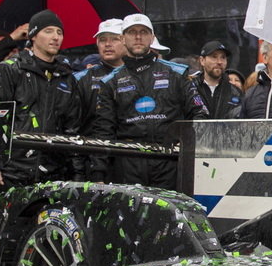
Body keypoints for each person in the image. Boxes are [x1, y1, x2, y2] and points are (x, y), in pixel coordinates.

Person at [88, 13, 207, 187]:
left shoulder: (177, 73)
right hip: (128, 162)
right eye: (132, 32)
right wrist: (98, 172)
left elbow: (199, 114)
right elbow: (103, 129)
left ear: (152, 38)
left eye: (143, 32)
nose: (138, 37)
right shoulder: (109, 82)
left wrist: (191, 153)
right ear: (122, 38)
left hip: (170, 160)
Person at [0, 10, 83, 187]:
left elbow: (73, 129)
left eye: (59, 32)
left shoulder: (67, 77)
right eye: (48, 31)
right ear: (33, 36)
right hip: (10, 173)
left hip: (54, 176)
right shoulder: (10, 69)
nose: (56, 37)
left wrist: (77, 174)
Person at [193, 40, 243, 118]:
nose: (219, 62)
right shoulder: (191, 89)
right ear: (202, 61)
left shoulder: (236, 93)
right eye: (214, 56)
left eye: (223, 57)